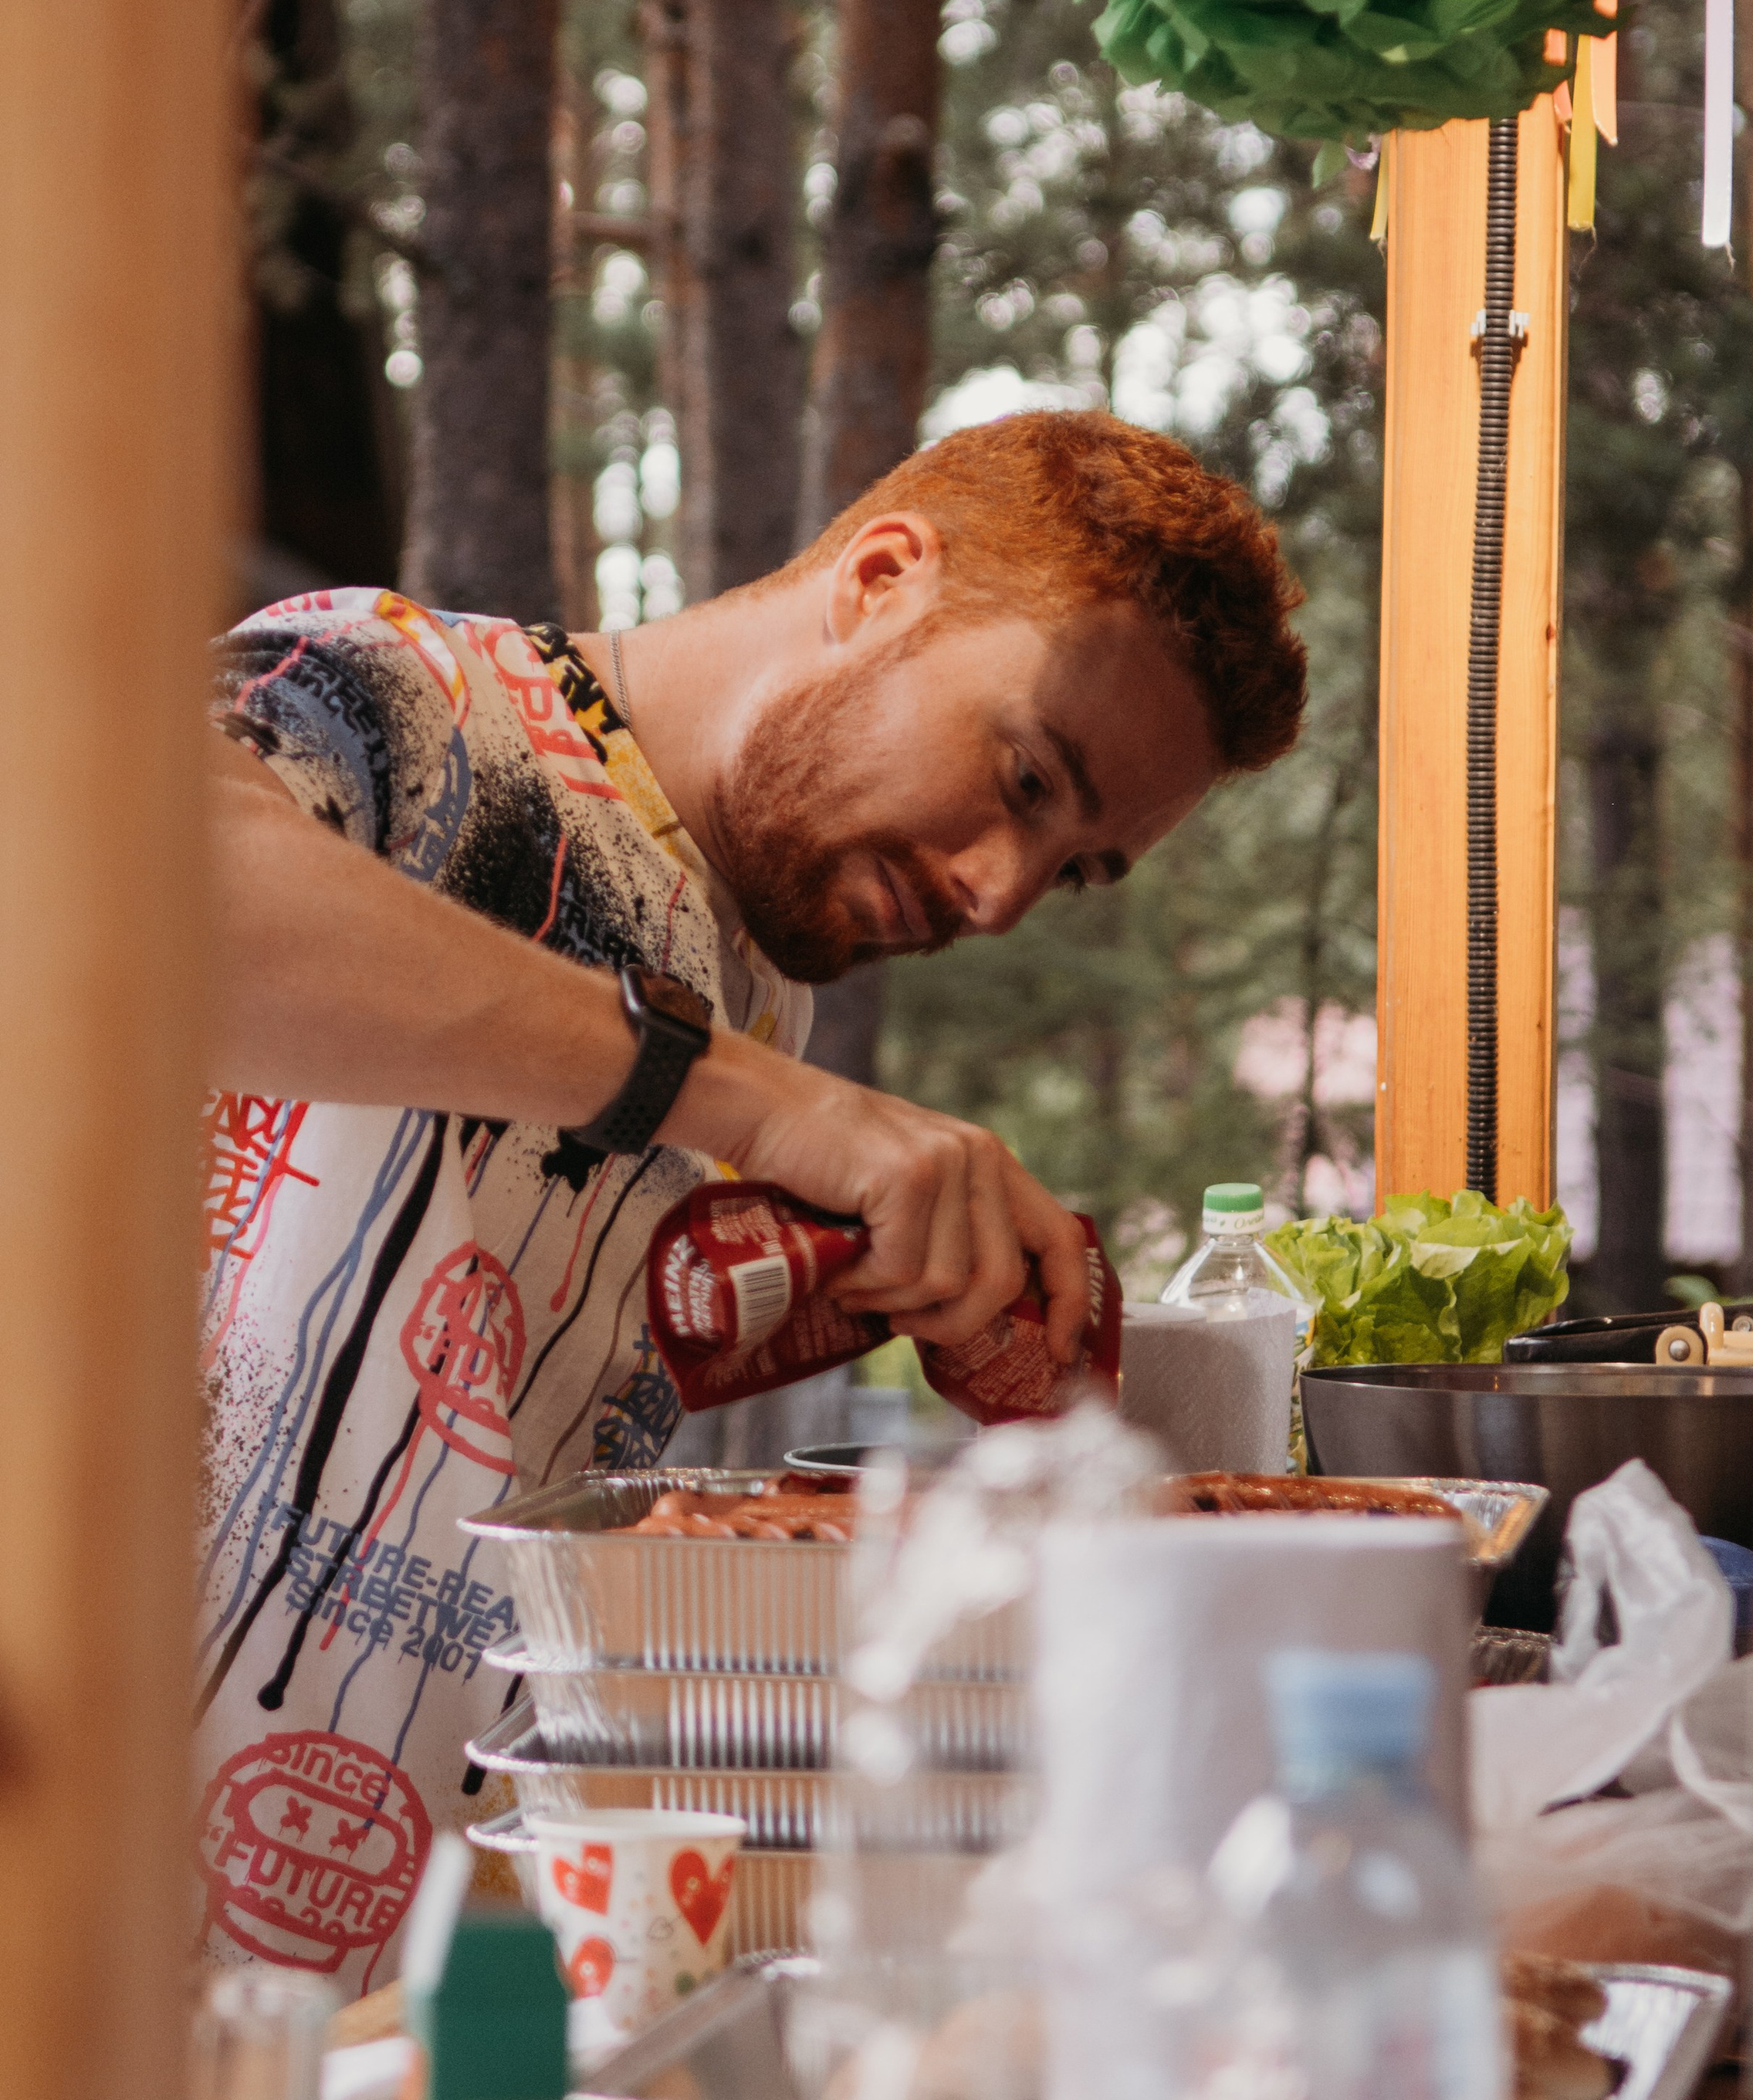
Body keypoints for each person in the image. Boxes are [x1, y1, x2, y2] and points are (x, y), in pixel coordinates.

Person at [192, 409, 1305, 1992]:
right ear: (879, 576)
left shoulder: (739, 972)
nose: (999, 894)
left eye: (1070, 868)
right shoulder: (407, 694)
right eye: (1023, 774)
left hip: (379, 1975)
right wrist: (756, 1100)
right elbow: (127, 891)